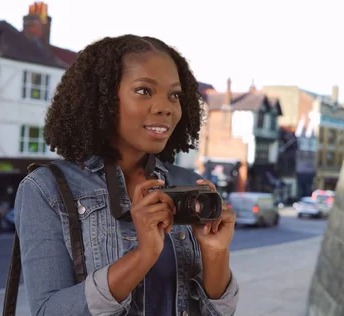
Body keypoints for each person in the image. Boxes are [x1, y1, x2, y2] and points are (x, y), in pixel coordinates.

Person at [14, 35, 239, 316]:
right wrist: (142, 256)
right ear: (104, 98)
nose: (165, 107)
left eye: (174, 95)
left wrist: (216, 252)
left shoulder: (189, 185)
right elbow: (47, 312)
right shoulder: (46, 189)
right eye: (144, 90)